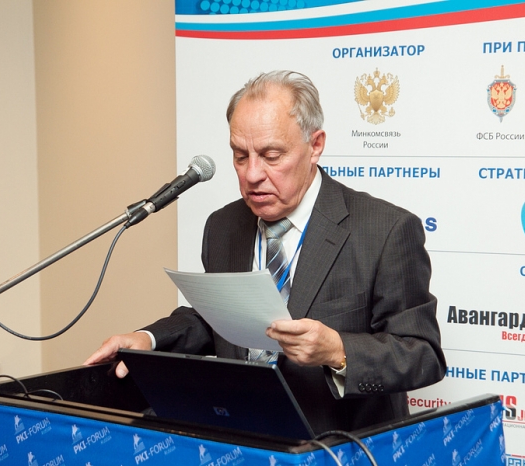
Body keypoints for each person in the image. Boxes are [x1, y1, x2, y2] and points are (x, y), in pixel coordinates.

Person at [85, 70, 446, 434]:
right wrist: (148, 340)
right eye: (240, 156)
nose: (252, 174)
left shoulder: (385, 230)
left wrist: (338, 351)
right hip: (242, 438)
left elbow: (422, 354)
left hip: (337, 446)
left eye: (271, 155)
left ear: (315, 145)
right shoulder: (223, 226)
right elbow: (217, 319)